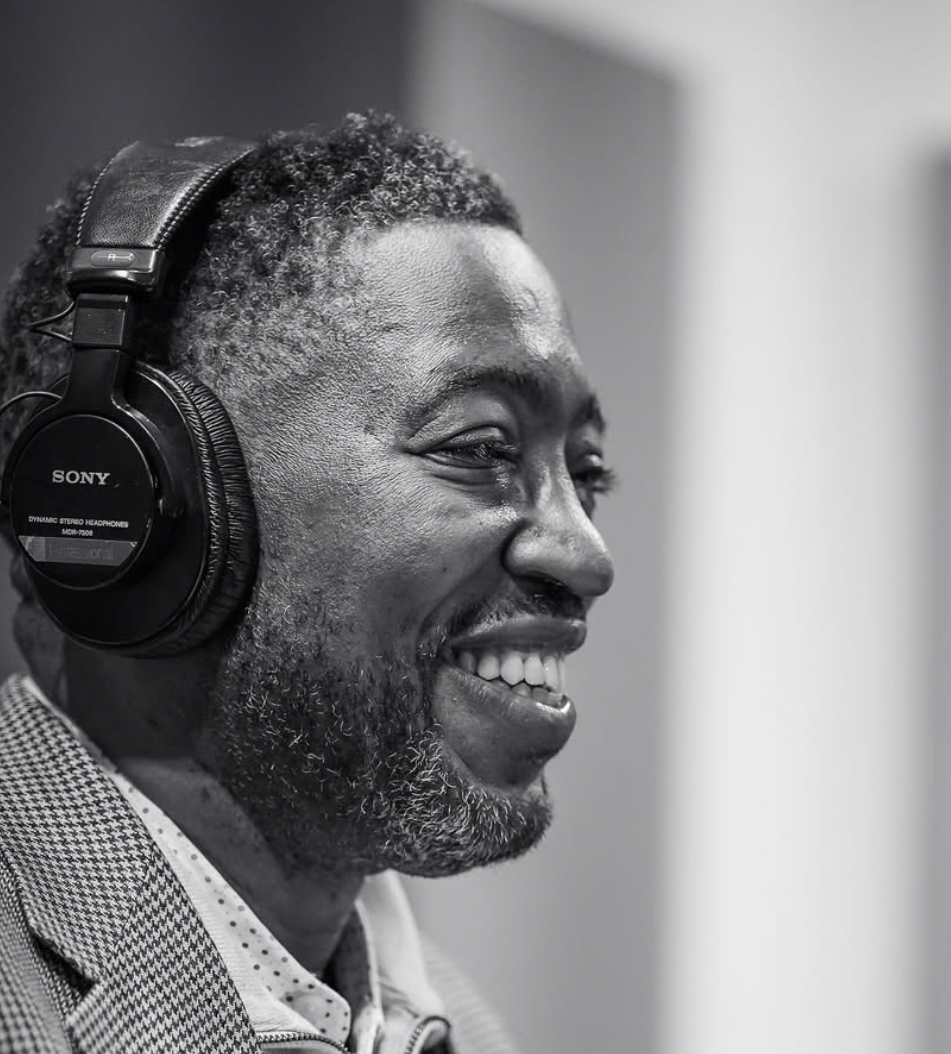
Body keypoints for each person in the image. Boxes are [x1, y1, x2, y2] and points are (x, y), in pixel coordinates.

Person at [0, 113, 615, 1053]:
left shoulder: (458, 1022)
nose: (585, 556)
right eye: (481, 447)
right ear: (138, 510)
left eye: (589, 472)